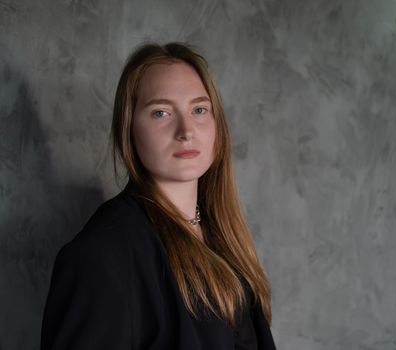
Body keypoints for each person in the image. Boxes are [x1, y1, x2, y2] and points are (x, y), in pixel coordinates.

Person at [41, 42, 276, 350]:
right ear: (129, 129)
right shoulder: (101, 256)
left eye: (199, 110)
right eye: (161, 112)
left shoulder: (224, 235)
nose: (186, 130)